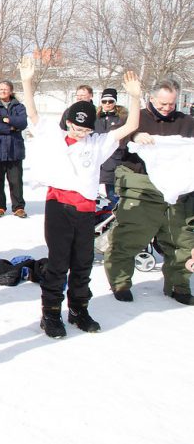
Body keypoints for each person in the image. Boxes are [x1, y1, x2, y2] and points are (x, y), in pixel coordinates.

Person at [19, 57, 141, 338]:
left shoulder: (97, 143)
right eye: (76, 127)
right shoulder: (54, 134)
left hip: (85, 210)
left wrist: (135, 97)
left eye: (86, 130)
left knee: (83, 263)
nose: (80, 133)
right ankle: (51, 313)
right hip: (59, 206)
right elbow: (33, 113)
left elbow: (130, 125)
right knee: (58, 262)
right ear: (68, 122)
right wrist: (26, 81)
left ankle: (78, 309)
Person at [104, 79, 194, 305]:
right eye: (162, 103)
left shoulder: (186, 123)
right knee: (130, 236)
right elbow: (115, 137)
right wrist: (134, 137)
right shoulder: (138, 118)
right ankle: (120, 282)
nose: (167, 108)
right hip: (142, 185)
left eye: (171, 104)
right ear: (152, 98)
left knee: (181, 239)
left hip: (178, 189)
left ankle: (179, 285)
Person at [0, 80, 28, 218]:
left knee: (16, 181)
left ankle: (18, 207)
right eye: (1, 89)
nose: (3, 91)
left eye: (6, 89)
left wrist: (6, 120)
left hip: (14, 149)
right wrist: (12, 128)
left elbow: (23, 123)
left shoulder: (19, 106)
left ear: (11, 91)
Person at [94, 88, 127, 206]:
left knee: (112, 195)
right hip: (96, 161)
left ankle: (114, 214)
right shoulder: (96, 117)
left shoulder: (122, 118)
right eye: (104, 101)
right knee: (92, 195)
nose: (107, 104)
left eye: (110, 101)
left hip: (113, 162)